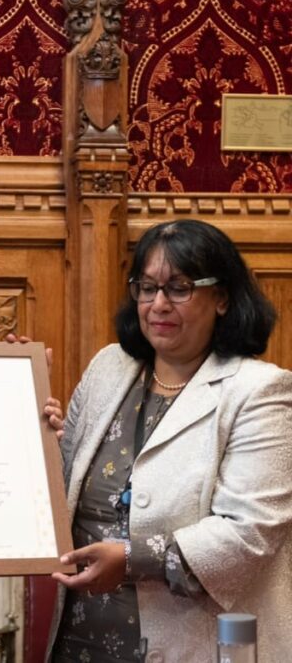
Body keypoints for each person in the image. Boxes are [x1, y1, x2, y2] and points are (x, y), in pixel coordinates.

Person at [47, 219, 292, 662]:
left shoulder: (260, 391)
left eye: (179, 287)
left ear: (221, 297)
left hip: (188, 645)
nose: (158, 303)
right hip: (78, 640)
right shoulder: (110, 367)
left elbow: (249, 533)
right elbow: (63, 487)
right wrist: (32, 424)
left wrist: (132, 559)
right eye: (146, 286)